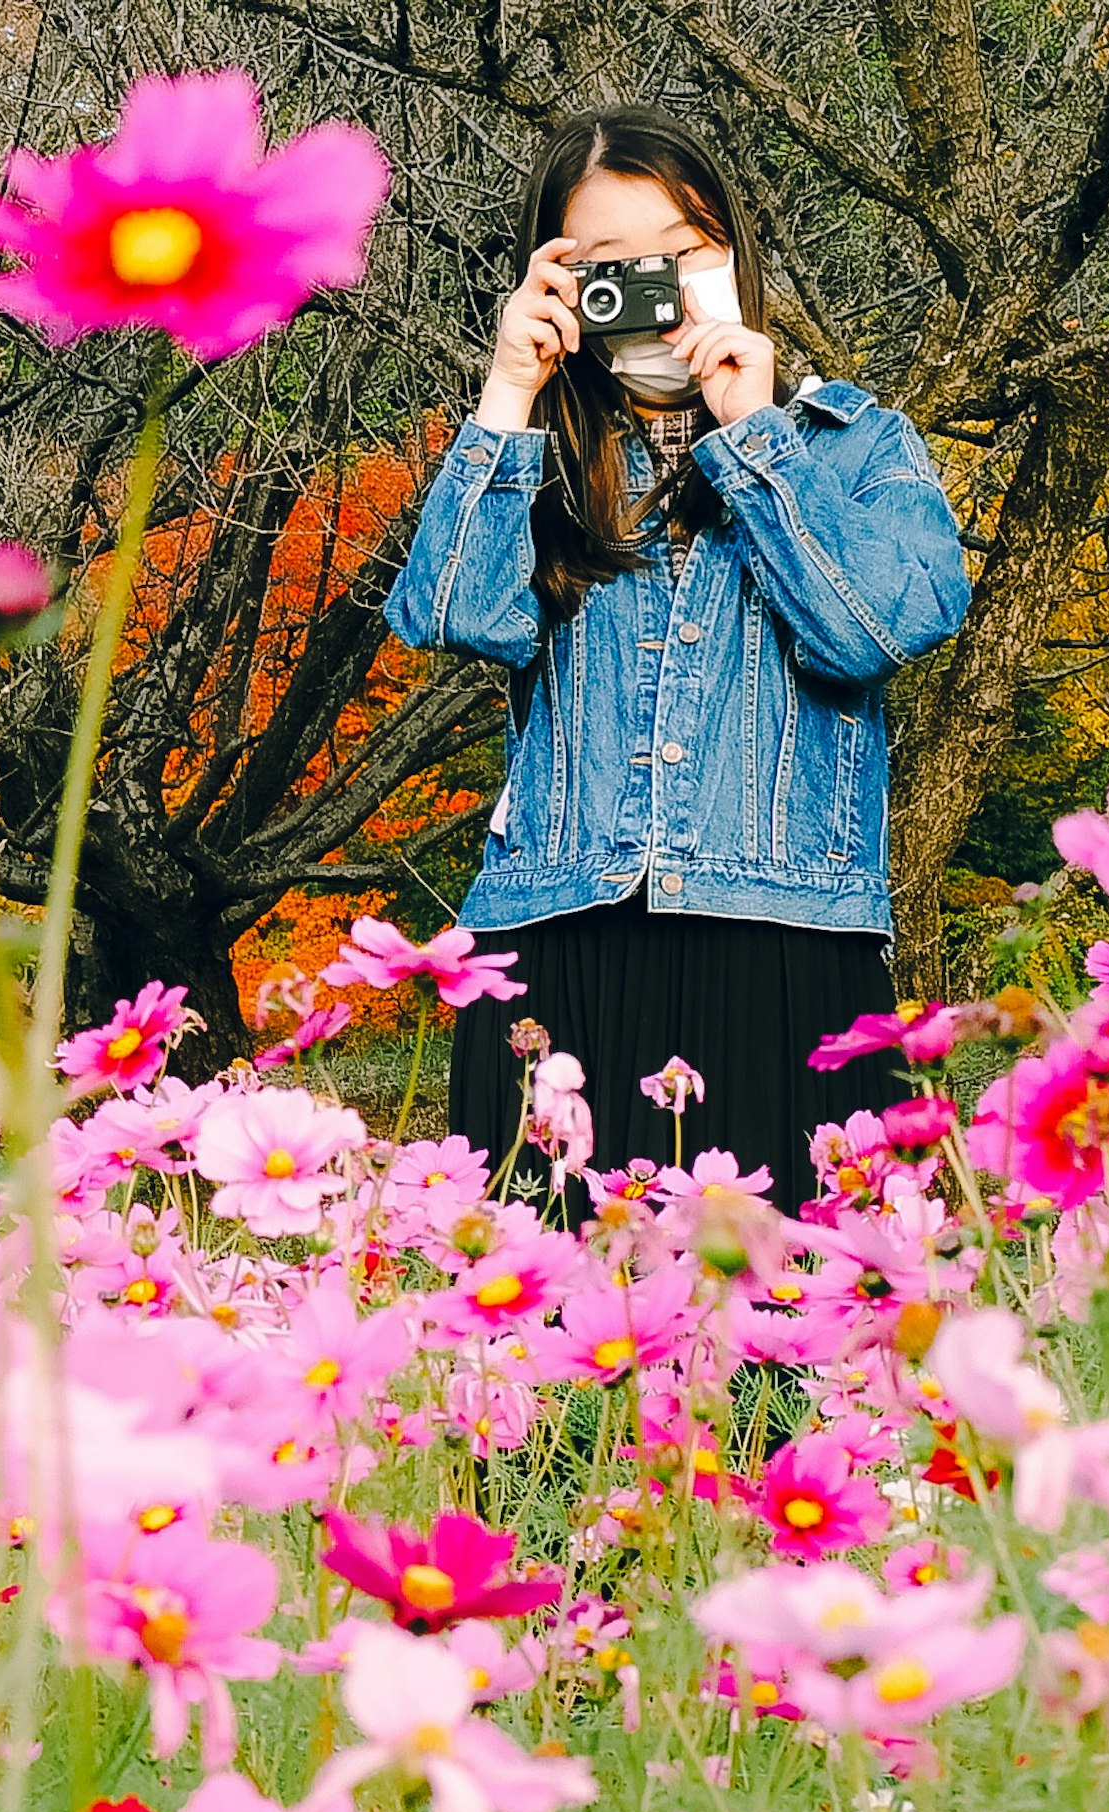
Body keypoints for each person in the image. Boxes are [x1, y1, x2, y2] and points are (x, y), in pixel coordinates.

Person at [384, 106, 970, 1201]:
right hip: (557, 946)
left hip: (787, 949)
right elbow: (459, 614)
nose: (654, 287)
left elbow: (880, 631)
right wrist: (510, 390)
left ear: (735, 256)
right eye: (612, 265)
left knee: (795, 1341)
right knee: (559, 1352)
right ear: (556, 282)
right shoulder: (532, 460)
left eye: (684, 253)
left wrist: (752, 434)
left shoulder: (856, 445)